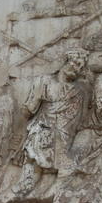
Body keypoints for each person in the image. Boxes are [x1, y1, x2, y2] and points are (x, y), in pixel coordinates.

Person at [13, 49, 91, 195]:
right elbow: (29, 109)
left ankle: (52, 190)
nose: (77, 69)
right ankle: (26, 183)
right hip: (43, 128)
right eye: (74, 63)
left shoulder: (81, 90)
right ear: (63, 62)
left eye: (81, 67)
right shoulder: (44, 82)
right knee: (35, 148)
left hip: (65, 134)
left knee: (66, 158)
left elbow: (82, 118)